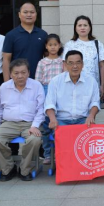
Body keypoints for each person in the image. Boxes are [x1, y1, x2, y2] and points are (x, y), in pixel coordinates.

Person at [0, 59, 45, 182]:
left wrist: (35, 126)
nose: (20, 76)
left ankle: (24, 169)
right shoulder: (4, 87)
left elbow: (41, 109)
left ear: (28, 73)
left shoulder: (36, 86)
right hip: (9, 123)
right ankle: (8, 168)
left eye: (23, 72)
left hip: (30, 124)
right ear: (10, 74)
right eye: (16, 73)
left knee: (35, 140)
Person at [44, 51, 100, 136]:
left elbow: (95, 102)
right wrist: (52, 119)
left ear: (82, 64)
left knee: (90, 137)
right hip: (62, 120)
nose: (75, 66)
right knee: (63, 137)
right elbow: (49, 104)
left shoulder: (91, 81)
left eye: (78, 62)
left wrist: (91, 115)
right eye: (71, 63)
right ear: (65, 65)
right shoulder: (56, 81)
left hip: (83, 120)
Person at [35, 34, 65, 164]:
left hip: (60, 93)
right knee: (46, 126)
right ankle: (47, 154)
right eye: (50, 45)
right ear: (46, 47)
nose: (53, 47)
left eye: (55, 45)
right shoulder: (42, 62)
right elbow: (38, 82)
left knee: (59, 125)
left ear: (59, 46)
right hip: (45, 91)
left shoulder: (63, 62)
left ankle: (60, 153)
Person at [63, 16, 104, 100]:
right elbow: (65, 66)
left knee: (93, 107)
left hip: (93, 85)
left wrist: (102, 85)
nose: (82, 28)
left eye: (85, 25)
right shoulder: (70, 44)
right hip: (74, 84)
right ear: (75, 28)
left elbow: (102, 66)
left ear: (90, 27)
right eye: (79, 25)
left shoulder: (97, 44)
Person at [2, 2, 48, 81]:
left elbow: (47, 58)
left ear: (36, 14)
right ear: (19, 15)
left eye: (32, 12)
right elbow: (6, 60)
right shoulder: (11, 35)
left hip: (38, 79)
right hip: (18, 79)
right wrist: (7, 82)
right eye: (25, 12)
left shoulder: (43, 34)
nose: (29, 15)